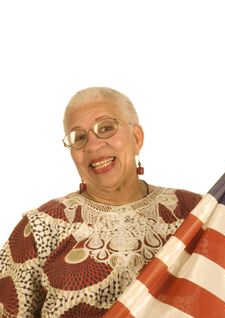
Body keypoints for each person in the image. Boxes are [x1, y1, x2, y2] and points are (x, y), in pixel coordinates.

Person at [0, 87, 201, 318]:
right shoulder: (40, 227)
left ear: (136, 138)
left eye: (106, 128)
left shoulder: (194, 213)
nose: (93, 146)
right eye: (79, 137)